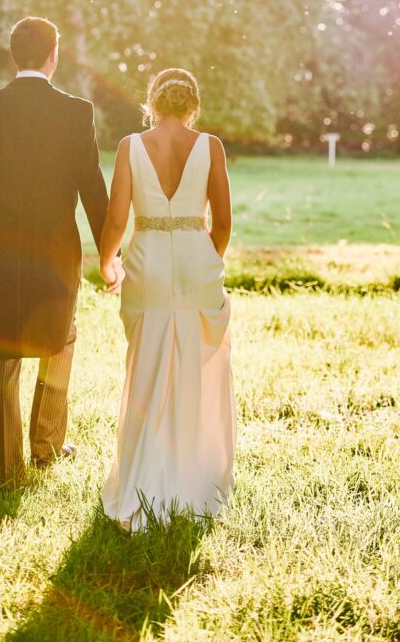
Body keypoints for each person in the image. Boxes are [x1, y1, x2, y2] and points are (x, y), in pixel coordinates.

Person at [0, 16, 122, 487]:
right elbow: (92, 188)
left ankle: (6, 466)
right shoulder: (75, 111)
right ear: (54, 56)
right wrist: (109, 255)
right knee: (61, 336)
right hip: (56, 251)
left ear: (14, 55)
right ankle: (47, 444)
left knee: (0, 349)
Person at [100, 68, 236, 531]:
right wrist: (205, 259)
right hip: (198, 262)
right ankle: (193, 473)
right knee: (196, 365)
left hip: (148, 265)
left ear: (152, 104)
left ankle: (143, 477)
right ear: (192, 106)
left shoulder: (130, 146)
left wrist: (107, 261)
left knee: (147, 364)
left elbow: (116, 217)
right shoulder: (211, 146)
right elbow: (223, 222)